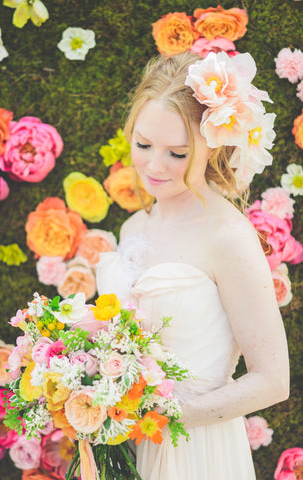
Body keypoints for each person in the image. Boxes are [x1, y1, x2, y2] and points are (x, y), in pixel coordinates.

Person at [96, 51, 290, 480]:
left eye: (177, 154)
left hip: (196, 450)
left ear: (211, 147)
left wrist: (170, 415)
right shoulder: (133, 227)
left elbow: (274, 379)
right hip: (125, 446)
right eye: (143, 144)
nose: (153, 165)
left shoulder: (228, 236)